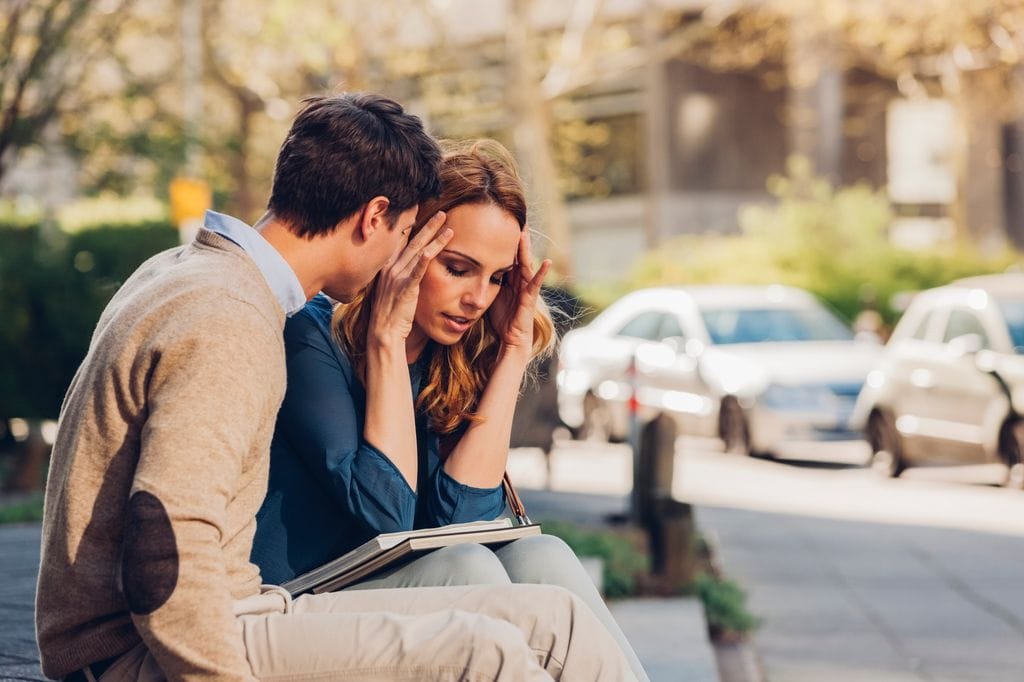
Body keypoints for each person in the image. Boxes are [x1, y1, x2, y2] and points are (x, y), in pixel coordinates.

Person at [35, 94, 636, 682]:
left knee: (556, 619)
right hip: (145, 651)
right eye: (405, 233)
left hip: (232, 614)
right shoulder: (230, 318)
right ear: (375, 217)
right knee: (490, 651)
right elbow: (167, 543)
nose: (401, 254)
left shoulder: (196, 275)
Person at [251, 139, 649, 681]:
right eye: (459, 268)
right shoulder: (311, 335)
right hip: (299, 601)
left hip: (404, 586)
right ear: (407, 247)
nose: (478, 298)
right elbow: (384, 516)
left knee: (544, 557)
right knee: (467, 567)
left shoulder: (455, 357)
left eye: (497, 278)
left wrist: (511, 351)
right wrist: (387, 339)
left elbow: (464, 522)